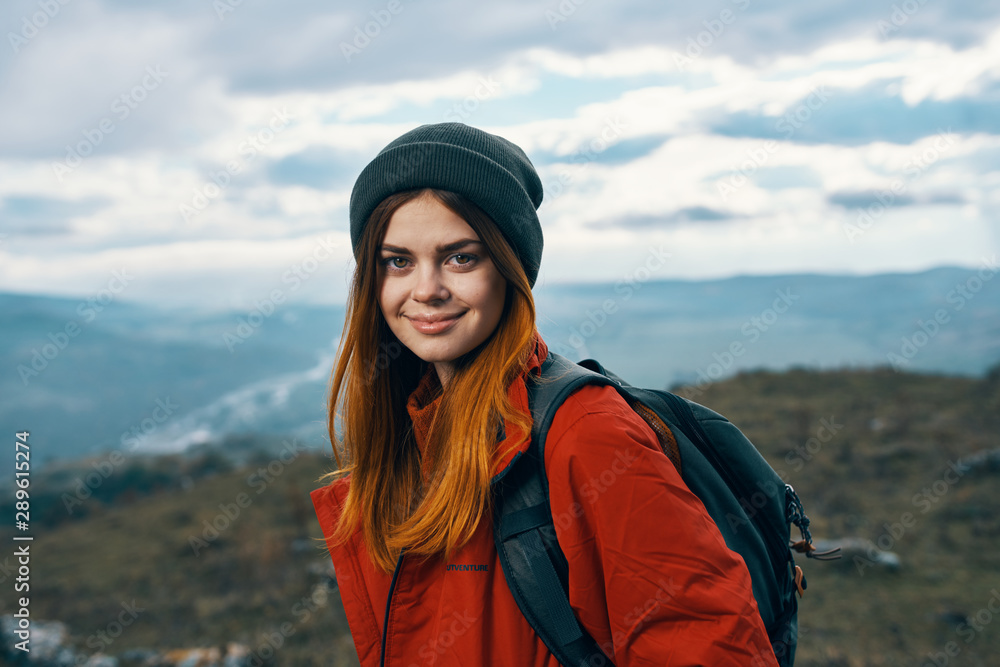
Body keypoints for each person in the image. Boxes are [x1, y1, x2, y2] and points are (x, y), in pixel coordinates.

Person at [311, 123, 779, 666]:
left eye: (461, 257)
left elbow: (707, 647)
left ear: (510, 271)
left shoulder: (588, 433)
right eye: (398, 261)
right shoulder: (409, 446)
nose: (426, 289)